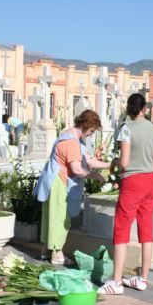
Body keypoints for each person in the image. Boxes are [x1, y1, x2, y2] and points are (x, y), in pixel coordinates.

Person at [97, 93, 153, 295]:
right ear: (144, 108)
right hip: (151, 180)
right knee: (146, 230)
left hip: (133, 181)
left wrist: (115, 162)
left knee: (122, 230)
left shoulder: (127, 129)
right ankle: (143, 279)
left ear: (129, 109)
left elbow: (124, 162)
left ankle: (116, 282)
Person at [34, 109, 112, 265]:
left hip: (56, 181)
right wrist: (94, 176)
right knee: (60, 218)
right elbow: (77, 169)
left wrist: (110, 165)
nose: (91, 134)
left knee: (52, 216)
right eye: (91, 130)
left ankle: (46, 251)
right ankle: (57, 255)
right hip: (58, 182)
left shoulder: (76, 138)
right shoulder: (70, 142)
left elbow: (88, 161)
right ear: (83, 125)